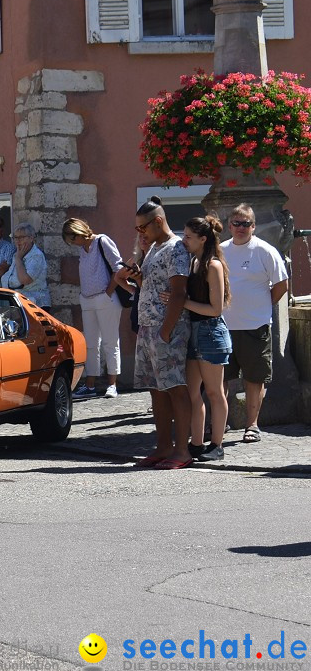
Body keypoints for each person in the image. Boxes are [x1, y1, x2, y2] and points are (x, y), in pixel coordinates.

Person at [128, 196, 192, 470]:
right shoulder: (154, 248)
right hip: (148, 327)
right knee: (156, 390)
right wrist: (138, 278)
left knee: (175, 389)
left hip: (168, 329)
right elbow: (153, 286)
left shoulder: (176, 247)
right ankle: (164, 446)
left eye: (142, 227)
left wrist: (166, 331)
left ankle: (182, 450)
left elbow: (179, 292)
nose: (140, 233)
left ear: (158, 221)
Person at [219, 203, 289, 443]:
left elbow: (281, 284)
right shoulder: (220, 250)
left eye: (246, 223)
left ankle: (252, 425)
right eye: (237, 223)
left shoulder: (264, 251)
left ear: (253, 226)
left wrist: (263, 305)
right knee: (221, 378)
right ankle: (221, 422)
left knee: (254, 378)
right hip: (223, 326)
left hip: (255, 326)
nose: (241, 228)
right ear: (229, 226)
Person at [166, 216, 231, 462]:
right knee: (192, 392)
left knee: (214, 392)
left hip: (211, 331)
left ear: (203, 239)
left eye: (189, 237)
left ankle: (217, 445)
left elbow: (216, 309)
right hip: (193, 331)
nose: (184, 241)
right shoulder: (193, 262)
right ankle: (196, 443)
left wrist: (183, 303)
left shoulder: (213, 265)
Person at [63, 217, 124, 398]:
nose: (73, 243)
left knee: (110, 341)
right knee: (90, 344)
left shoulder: (102, 241)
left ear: (79, 232)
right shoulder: (83, 249)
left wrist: (108, 292)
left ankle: (112, 384)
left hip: (106, 298)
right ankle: (90, 385)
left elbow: (118, 267)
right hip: (88, 299)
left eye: (73, 238)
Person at [2, 223, 51, 309]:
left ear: (31, 238)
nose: (17, 241)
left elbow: (25, 280)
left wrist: (18, 259)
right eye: (15, 237)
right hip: (19, 303)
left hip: (35, 305)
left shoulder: (36, 256)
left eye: (21, 237)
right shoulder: (18, 254)